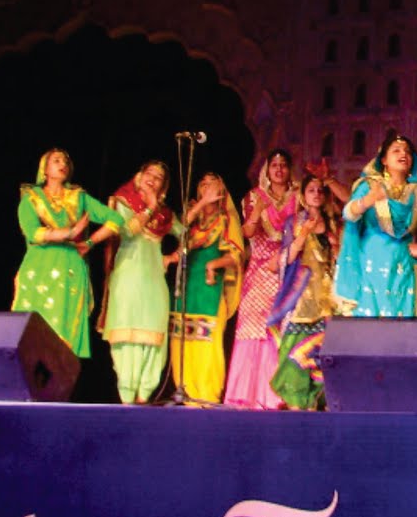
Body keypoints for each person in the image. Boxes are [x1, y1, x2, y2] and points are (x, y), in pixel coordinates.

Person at [13, 149, 125, 359]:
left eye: (65, 161)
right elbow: (32, 232)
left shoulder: (78, 197)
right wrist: (69, 233)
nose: (62, 164)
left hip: (69, 269)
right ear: (44, 169)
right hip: (38, 268)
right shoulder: (31, 198)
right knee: (32, 330)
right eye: (56, 160)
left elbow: (116, 219)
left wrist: (89, 243)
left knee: (63, 331)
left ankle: (59, 377)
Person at [334, 133, 417, 317]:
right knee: (370, 329)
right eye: (396, 150)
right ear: (384, 160)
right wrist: (368, 200)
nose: (403, 154)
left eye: (407, 151)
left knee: (400, 329)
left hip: (402, 269)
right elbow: (348, 214)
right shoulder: (370, 186)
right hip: (370, 268)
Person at [224, 150, 297, 409]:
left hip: (288, 268)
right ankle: (245, 392)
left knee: (282, 327)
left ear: (289, 170)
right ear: (266, 170)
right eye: (273, 165)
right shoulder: (254, 196)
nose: (278, 169)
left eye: (283, 165)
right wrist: (257, 211)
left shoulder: (298, 196)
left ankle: (276, 394)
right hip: (259, 269)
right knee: (253, 327)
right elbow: (247, 232)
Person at [99, 161, 177, 405]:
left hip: (154, 282)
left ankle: (144, 397)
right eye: (149, 173)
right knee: (126, 338)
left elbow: (187, 235)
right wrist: (150, 207)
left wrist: (172, 257)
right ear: (139, 176)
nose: (153, 178)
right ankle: (127, 398)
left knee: (154, 341)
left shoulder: (165, 215)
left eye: (159, 177)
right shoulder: (123, 201)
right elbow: (126, 231)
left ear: (164, 186)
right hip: (127, 277)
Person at [267, 173, 344, 410]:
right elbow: (286, 258)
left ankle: (320, 400)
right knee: (296, 349)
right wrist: (303, 234)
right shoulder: (294, 223)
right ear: (302, 196)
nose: (316, 194)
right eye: (311, 190)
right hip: (302, 295)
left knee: (327, 351)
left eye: (320, 190)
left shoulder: (333, 224)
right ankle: (297, 400)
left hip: (328, 296)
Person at [170, 171, 245, 406]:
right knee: (182, 340)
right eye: (203, 184)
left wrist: (214, 264)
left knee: (207, 344)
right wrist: (202, 203)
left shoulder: (226, 219)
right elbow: (178, 228)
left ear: (222, 190)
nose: (208, 187)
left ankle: (207, 397)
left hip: (210, 291)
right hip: (187, 288)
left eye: (213, 183)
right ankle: (187, 396)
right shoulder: (192, 219)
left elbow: (236, 255)